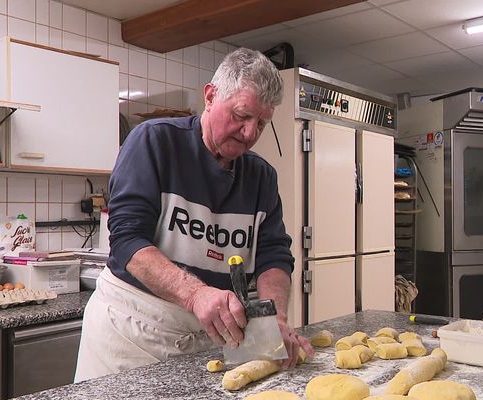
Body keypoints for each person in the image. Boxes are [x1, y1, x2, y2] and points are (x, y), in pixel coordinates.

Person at [74, 47, 313, 382]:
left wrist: (276, 318)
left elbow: (273, 254)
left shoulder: (261, 177)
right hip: (131, 333)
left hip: (208, 342)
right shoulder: (154, 143)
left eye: (261, 123)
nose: (249, 133)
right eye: (242, 116)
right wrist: (196, 294)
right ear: (211, 96)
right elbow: (128, 241)